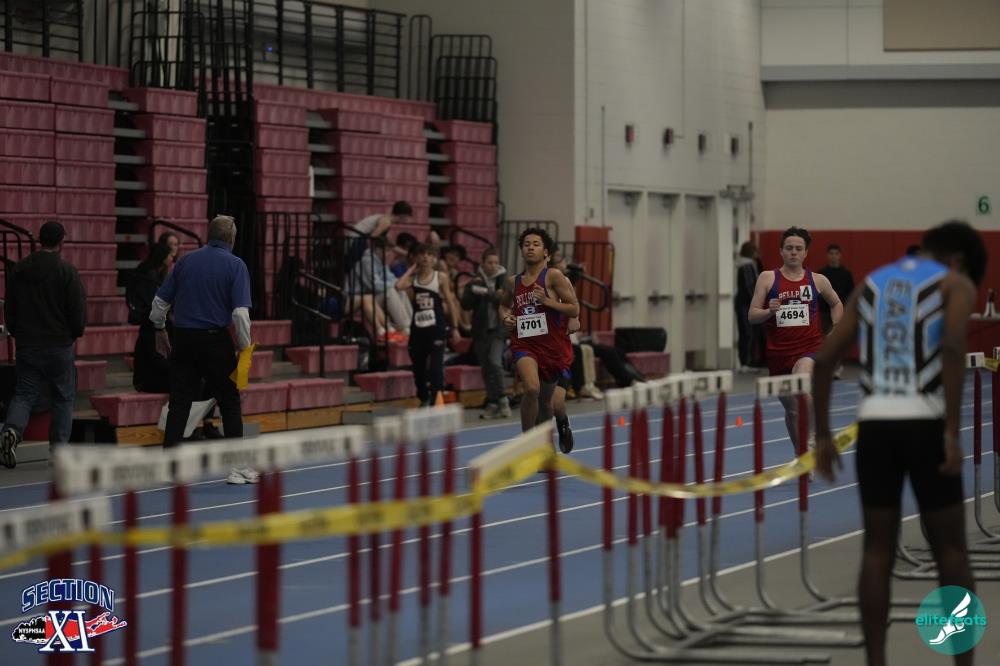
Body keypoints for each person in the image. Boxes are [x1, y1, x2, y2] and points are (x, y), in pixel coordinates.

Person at [813, 220, 987, 666]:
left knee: (877, 551)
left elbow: (826, 358)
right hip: (925, 423)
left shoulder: (873, 282)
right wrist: (951, 432)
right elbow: (953, 347)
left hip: (875, 427)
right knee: (951, 551)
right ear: (959, 260)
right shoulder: (954, 284)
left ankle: (876, 661)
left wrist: (823, 435)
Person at [150, 215, 254, 484]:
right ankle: (236, 467)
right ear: (232, 239)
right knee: (229, 401)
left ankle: (169, 466)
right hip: (214, 339)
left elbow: (160, 302)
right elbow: (240, 314)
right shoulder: (236, 265)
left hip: (184, 339)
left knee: (180, 402)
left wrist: (159, 328)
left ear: (209, 235)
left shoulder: (185, 261)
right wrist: (245, 348)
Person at [747, 226, 843, 454]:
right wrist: (769, 311)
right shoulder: (768, 278)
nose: (793, 252)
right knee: (792, 411)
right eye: (789, 248)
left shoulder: (817, 280)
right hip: (778, 355)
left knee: (802, 385)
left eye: (798, 249)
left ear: (806, 253)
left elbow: (836, 304)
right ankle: (801, 454)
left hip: (809, 349)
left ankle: (812, 435)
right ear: (781, 251)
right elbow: (752, 316)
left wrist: (835, 329)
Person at [0, 221, 86, 467]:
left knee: (24, 393)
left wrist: (17, 332)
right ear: (61, 241)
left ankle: (12, 429)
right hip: (58, 344)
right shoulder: (67, 271)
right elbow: (77, 311)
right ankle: (58, 452)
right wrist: (74, 333)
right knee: (63, 397)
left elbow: (10, 307)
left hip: (27, 344)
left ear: (39, 239)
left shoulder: (19, 270)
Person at [500, 228, 579, 453]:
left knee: (548, 404)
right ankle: (530, 445)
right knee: (532, 388)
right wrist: (506, 317)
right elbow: (503, 305)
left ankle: (549, 439)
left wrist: (547, 301)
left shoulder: (553, 276)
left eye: (536, 244)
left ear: (546, 252)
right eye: (526, 244)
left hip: (553, 348)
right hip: (525, 345)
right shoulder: (513, 282)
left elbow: (574, 308)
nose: (530, 247)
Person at [396, 244, 461, 406]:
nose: (425, 257)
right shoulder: (413, 279)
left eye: (429, 254)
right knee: (418, 368)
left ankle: (435, 400)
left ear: (434, 259)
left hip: (436, 328)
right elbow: (398, 286)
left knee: (435, 367)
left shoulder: (440, 277)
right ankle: (423, 398)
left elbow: (450, 302)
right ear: (417, 258)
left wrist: (455, 328)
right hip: (418, 330)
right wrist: (412, 269)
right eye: (422, 254)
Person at [461, 248, 510, 419]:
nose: (493, 266)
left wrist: (487, 293)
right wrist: (470, 289)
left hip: (498, 330)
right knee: (486, 368)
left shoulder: (504, 280)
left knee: (495, 362)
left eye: (496, 262)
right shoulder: (476, 280)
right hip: (480, 330)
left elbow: (504, 301)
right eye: (490, 262)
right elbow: (465, 305)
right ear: (482, 263)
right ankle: (492, 401)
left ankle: (503, 399)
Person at [735, 241, 760, 372]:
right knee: (747, 332)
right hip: (746, 304)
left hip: (743, 302)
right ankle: (745, 362)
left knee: (746, 332)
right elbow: (750, 286)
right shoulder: (747, 266)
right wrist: (757, 302)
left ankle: (746, 361)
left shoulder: (743, 265)